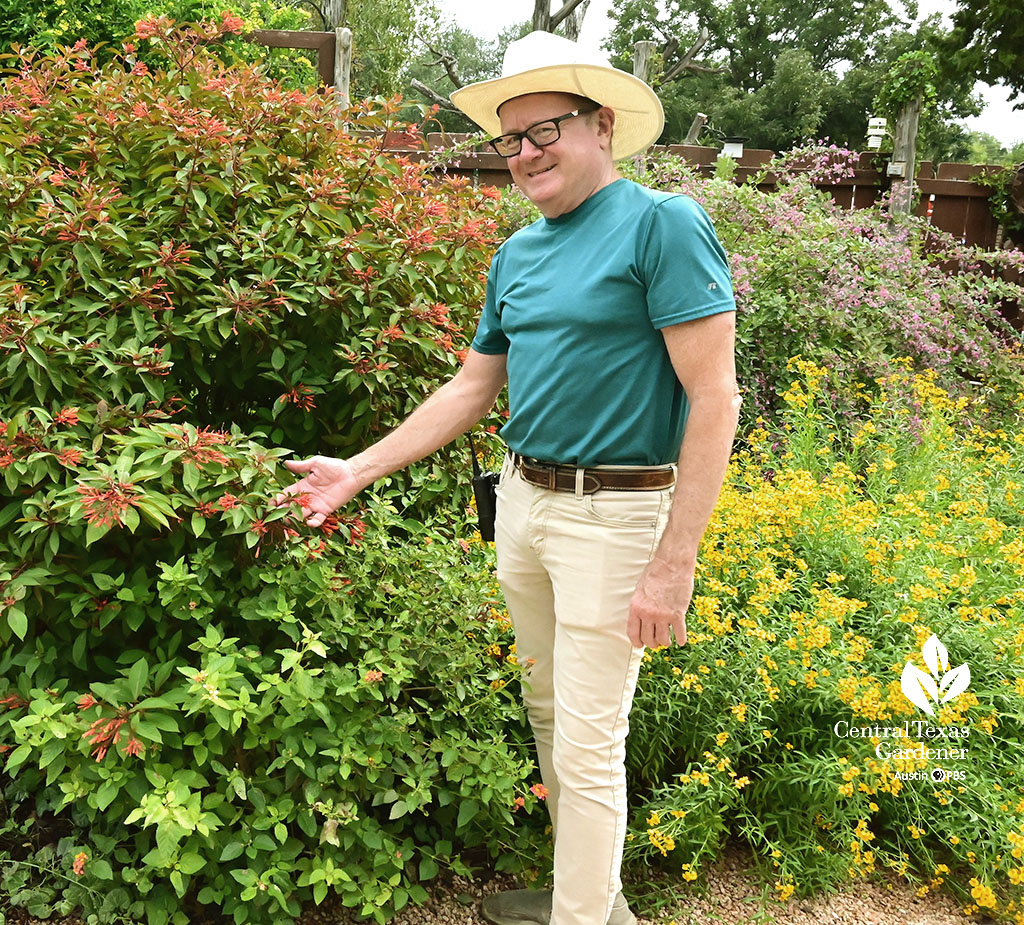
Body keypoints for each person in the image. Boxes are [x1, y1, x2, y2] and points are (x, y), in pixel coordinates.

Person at [272, 30, 740, 925]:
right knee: (548, 717)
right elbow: (472, 384)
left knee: (592, 742)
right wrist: (357, 470)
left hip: (616, 514)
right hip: (523, 505)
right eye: (510, 140)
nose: (524, 154)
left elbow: (715, 398)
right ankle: (596, 904)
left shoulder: (661, 224)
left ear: (602, 124)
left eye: (545, 131)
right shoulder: (518, 254)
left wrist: (674, 561)